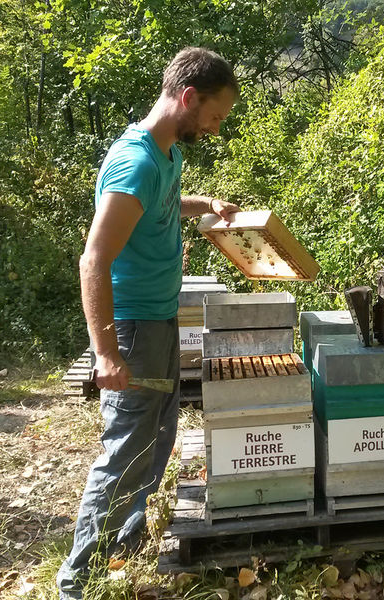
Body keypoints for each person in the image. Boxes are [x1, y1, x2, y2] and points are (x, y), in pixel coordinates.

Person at [57, 47, 240, 599]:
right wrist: (106, 353)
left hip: (160, 319)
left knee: (157, 438)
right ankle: (76, 583)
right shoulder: (135, 159)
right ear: (188, 97)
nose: (215, 127)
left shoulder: (166, 154)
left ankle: (124, 545)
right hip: (132, 327)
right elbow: (94, 258)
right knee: (125, 451)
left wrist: (204, 204)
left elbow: (158, 205)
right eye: (214, 115)